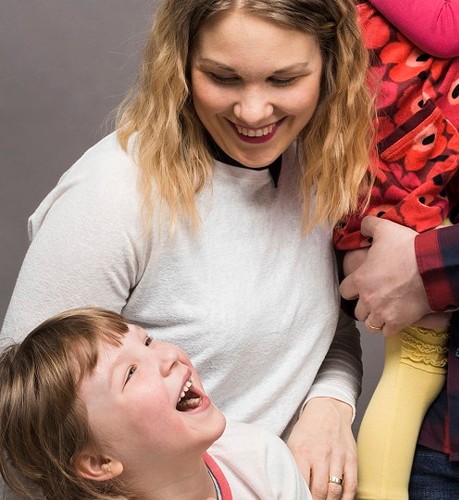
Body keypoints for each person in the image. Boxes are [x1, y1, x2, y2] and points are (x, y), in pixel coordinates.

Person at [0, 1, 375, 499]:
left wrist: (329, 406)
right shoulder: (114, 192)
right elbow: (30, 431)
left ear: (331, 65)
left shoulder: (320, 166)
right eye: (222, 77)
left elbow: (325, 328)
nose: (253, 112)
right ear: (180, 63)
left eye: (284, 80)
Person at [333, 1, 459, 498]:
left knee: (411, 373)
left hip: (402, 205)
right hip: (399, 200)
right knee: (413, 371)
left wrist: (428, 265)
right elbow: (446, 31)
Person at [0, 307, 313, 500]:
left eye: (147, 341)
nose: (168, 356)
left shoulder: (260, 458)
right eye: (130, 373)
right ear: (99, 462)